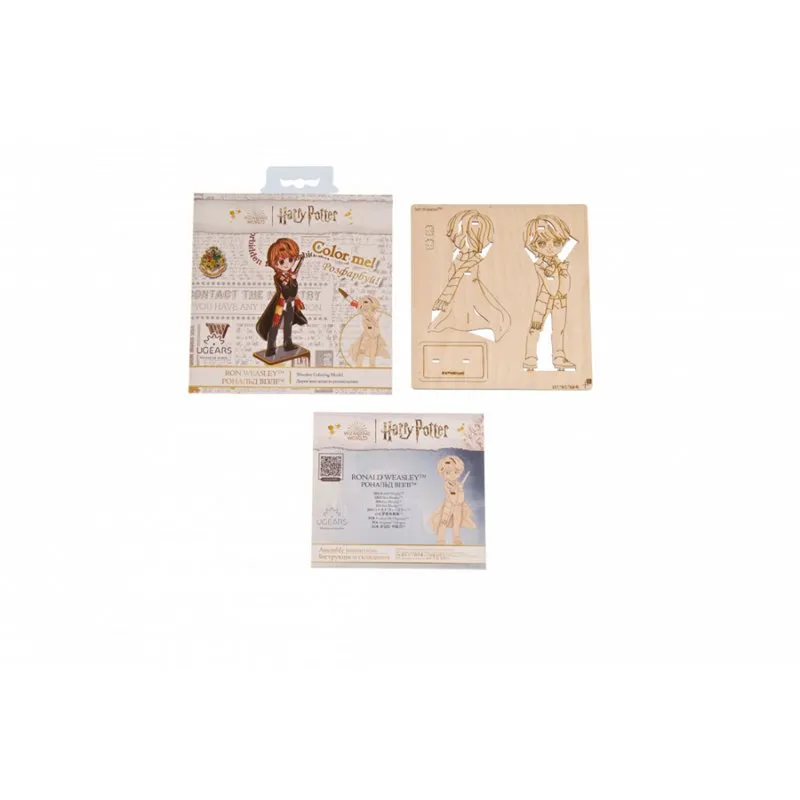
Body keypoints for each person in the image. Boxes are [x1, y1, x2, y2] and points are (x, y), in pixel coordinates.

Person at [427, 210, 510, 342]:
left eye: (465, 235)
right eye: (459, 234)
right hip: (455, 305)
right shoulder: (456, 256)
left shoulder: (475, 261)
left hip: (470, 305)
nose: (458, 238)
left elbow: (475, 290)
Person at [523, 215, 575, 371]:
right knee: (535, 329)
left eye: (557, 242)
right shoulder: (539, 264)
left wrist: (562, 271)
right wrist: (556, 272)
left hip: (560, 301)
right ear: (534, 246)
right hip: (543, 301)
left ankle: (559, 357)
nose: (550, 247)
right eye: (542, 243)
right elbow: (552, 287)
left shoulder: (560, 263)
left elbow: (564, 288)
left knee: (559, 330)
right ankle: (530, 358)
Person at [255, 237, 307, 356]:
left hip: (290, 305)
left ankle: (288, 344)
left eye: (291, 260)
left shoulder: (290, 275)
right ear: (275, 263)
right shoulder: (279, 277)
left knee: (288, 325)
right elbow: (286, 292)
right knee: (274, 326)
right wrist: (291, 280)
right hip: (280, 305)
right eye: (282, 261)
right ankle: (271, 348)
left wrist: (293, 280)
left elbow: (294, 291)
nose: (287, 264)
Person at [429, 455, 476, 545]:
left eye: (455, 472)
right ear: (443, 474)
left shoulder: (458, 484)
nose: (452, 475)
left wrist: (460, 490)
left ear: (459, 472)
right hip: (449, 506)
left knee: (457, 523)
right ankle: (440, 539)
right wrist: (455, 490)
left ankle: (456, 539)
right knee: (443, 522)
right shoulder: (447, 484)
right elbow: (451, 496)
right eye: (448, 472)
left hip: (458, 507)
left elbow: (461, 498)